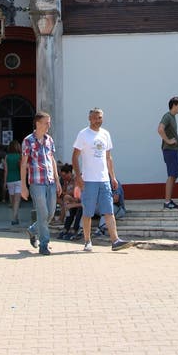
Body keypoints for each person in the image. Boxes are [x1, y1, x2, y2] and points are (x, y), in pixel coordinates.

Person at [72, 108, 131, 252]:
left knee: (109, 211)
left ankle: (115, 240)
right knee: (88, 212)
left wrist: (113, 177)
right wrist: (78, 177)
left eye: (100, 118)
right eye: (95, 118)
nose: (98, 120)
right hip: (89, 180)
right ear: (89, 118)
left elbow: (108, 157)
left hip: (104, 179)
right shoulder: (83, 134)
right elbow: (75, 157)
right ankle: (87, 241)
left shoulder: (106, 134)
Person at [21, 112, 62, 255]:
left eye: (49, 122)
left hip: (50, 181)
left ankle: (33, 230)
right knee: (43, 213)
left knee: (50, 213)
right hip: (36, 183)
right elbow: (23, 164)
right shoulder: (28, 141)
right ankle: (44, 244)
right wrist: (23, 186)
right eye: (46, 122)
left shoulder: (49, 140)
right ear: (38, 124)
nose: (49, 125)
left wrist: (57, 180)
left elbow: (52, 160)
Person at [157, 96, 178, 209]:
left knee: (174, 175)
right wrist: (168, 141)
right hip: (169, 150)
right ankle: (167, 202)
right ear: (173, 105)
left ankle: (169, 200)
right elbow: (160, 129)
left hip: (173, 150)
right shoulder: (167, 116)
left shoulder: (172, 117)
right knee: (172, 175)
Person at [57, 164, 83, 240]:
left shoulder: (82, 186)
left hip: (88, 206)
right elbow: (77, 199)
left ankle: (74, 229)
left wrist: (72, 204)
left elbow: (85, 203)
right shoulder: (74, 187)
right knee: (71, 208)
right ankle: (66, 228)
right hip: (78, 203)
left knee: (79, 209)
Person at [3, 139, 22, 225]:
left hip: (10, 180)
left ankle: (15, 217)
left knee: (12, 200)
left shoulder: (7, 157)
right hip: (18, 179)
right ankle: (14, 218)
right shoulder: (19, 156)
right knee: (17, 200)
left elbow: (6, 171)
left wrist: (4, 182)